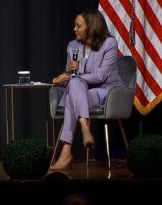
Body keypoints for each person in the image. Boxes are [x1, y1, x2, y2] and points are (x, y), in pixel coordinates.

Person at [50, 10, 124, 171]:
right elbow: (71, 74)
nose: (74, 29)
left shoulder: (109, 43)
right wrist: (62, 78)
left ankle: (66, 153)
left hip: (105, 91)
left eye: (78, 25)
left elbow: (101, 76)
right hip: (81, 91)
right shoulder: (73, 45)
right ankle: (84, 127)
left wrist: (76, 72)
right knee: (74, 88)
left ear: (91, 27)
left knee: (72, 95)